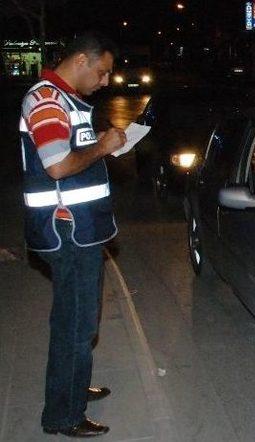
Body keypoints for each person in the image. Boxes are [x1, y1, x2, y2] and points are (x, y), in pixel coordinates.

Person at [19, 31, 127, 438]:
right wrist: (101, 148)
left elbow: (71, 154)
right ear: (81, 59)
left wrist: (105, 146)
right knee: (76, 328)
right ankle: (63, 416)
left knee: (78, 323)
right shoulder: (47, 100)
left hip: (80, 230)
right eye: (102, 73)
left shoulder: (64, 101)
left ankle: (73, 388)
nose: (104, 82)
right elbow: (58, 166)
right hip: (67, 231)